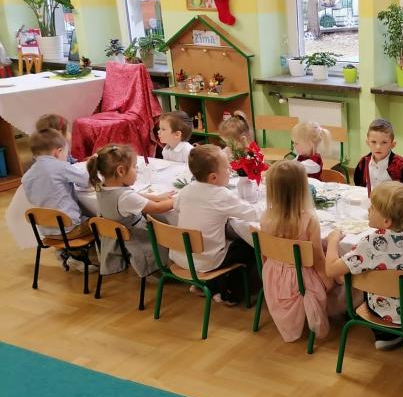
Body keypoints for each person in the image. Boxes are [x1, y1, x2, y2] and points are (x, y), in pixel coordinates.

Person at [325, 182, 403, 351]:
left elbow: (331, 270)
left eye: (372, 208)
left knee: (370, 283)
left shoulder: (370, 243)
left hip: (379, 310)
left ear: (386, 221)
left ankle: (385, 335)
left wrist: (333, 240)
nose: (368, 210)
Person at [171, 144, 260, 305]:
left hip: (182, 256)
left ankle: (202, 285)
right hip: (206, 261)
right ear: (213, 177)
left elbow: (176, 207)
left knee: (227, 238)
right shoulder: (221, 195)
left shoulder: (186, 190)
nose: (230, 170)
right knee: (249, 245)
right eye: (227, 168)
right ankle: (228, 293)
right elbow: (252, 214)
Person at [260, 160, 338, 342]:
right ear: (302, 188)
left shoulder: (266, 217)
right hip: (301, 279)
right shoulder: (309, 219)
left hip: (272, 275)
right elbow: (318, 259)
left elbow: (266, 253)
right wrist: (329, 283)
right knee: (338, 274)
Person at [87, 144, 174, 277]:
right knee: (166, 231)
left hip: (114, 238)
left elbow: (133, 195)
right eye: (134, 167)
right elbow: (158, 208)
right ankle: (161, 269)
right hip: (137, 239)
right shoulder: (125, 197)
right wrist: (180, 199)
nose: (136, 171)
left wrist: (157, 197)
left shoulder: (101, 187)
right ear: (121, 171)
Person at [22, 128, 91, 238]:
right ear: (58, 152)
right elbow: (86, 181)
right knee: (99, 221)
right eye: (66, 154)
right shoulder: (59, 166)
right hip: (70, 229)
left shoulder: (27, 176)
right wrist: (90, 166)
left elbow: (31, 199)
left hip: (46, 231)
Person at [353, 118, 403, 192]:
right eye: (373, 142)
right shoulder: (363, 163)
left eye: (384, 142)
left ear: (393, 144)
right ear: (368, 143)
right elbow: (358, 186)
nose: (378, 147)